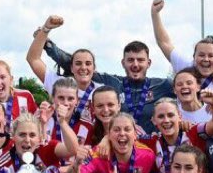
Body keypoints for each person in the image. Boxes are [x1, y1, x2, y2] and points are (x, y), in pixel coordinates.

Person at [43, 37, 173, 132]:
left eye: (140, 60)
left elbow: (187, 86)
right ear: (123, 63)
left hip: (150, 149)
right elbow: (80, 67)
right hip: (119, 145)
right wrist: (49, 46)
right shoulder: (113, 82)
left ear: (149, 63)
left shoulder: (162, 85)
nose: (135, 64)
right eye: (130, 60)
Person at [26, 15, 99, 127]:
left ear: (94, 68)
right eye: (78, 63)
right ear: (71, 68)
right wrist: (45, 29)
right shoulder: (59, 84)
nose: (83, 67)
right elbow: (33, 59)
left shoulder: (101, 91)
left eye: (88, 64)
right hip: (56, 139)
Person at [150, 0, 213, 91]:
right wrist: (155, 14)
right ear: (194, 57)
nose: (206, 59)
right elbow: (164, 42)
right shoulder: (185, 67)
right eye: (201, 55)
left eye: (211, 56)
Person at [144, 95, 213, 173]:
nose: (166, 120)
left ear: (179, 116)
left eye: (171, 115)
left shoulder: (193, 132)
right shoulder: (151, 141)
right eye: (161, 116)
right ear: (154, 121)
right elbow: (131, 135)